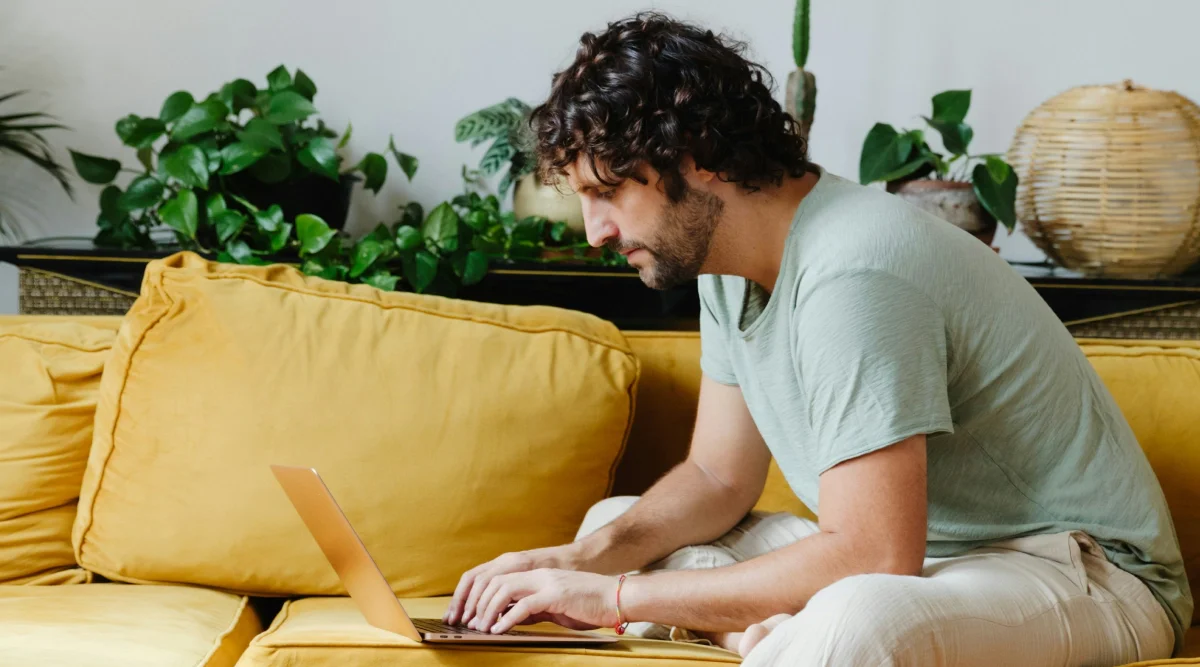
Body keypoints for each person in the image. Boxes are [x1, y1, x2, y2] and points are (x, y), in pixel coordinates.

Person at [442, 12, 1192, 666]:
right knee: (614, 525)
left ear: (695, 155)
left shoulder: (853, 268)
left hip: (1080, 574)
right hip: (925, 564)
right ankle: (762, 637)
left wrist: (612, 593)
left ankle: (774, 635)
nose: (595, 230)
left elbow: (873, 554)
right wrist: (579, 561)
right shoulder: (723, 263)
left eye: (609, 192)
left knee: (858, 619)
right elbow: (716, 477)